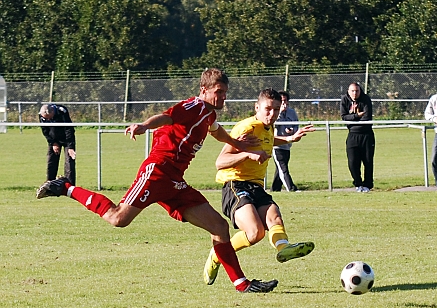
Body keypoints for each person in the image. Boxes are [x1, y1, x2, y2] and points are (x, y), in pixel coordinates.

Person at [36, 68, 278, 294]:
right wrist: (143, 125)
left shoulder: (208, 114)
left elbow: (216, 131)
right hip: (157, 172)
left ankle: (242, 284)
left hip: (174, 180)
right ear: (204, 90)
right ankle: (65, 187)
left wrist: (238, 145)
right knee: (118, 218)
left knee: (219, 227)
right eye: (219, 92)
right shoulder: (193, 107)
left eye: (225, 92)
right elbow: (166, 117)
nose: (223, 97)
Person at [203, 88, 316, 286]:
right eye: (267, 109)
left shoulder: (268, 127)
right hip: (235, 184)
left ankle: (284, 249)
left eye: (276, 110)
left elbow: (268, 141)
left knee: (274, 216)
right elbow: (220, 161)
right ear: (257, 107)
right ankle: (217, 253)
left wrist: (289, 139)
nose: (271, 114)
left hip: (256, 186)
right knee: (255, 233)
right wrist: (247, 155)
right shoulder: (246, 128)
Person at [340, 82, 375, 192]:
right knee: (352, 162)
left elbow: (367, 117)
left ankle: (367, 185)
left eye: (357, 91)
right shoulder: (345, 100)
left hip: (367, 134)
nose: (355, 93)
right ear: (348, 91)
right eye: (352, 91)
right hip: (352, 134)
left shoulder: (366, 99)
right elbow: (344, 117)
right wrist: (356, 116)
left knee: (368, 161)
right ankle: (358, 183)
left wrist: (353, 119)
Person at [39, 103, 77, 186]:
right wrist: (53, 143)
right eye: (46, 119)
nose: (48, 120)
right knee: (51, 161)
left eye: (49, 118)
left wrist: (70, 146)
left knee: (69, 161)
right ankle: (50, 184)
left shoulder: (62, 111)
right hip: (53, 139)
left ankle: (70, 186)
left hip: (67, 139)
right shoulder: (42, 115)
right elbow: (45, 131)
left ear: (52, 112)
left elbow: (69, 129)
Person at [271, 91, 299, 192]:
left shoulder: (292, 112)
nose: (284, 103)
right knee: (283, 168)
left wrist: (292, 131)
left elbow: (296, 125)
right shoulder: (274, 112)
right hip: (277, 145)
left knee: (281, 169)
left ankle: (275, 189)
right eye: (281, 101)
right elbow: (272, 123)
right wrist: (280, 113)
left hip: (287, 144)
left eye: (285, 101)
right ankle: (291, 188)